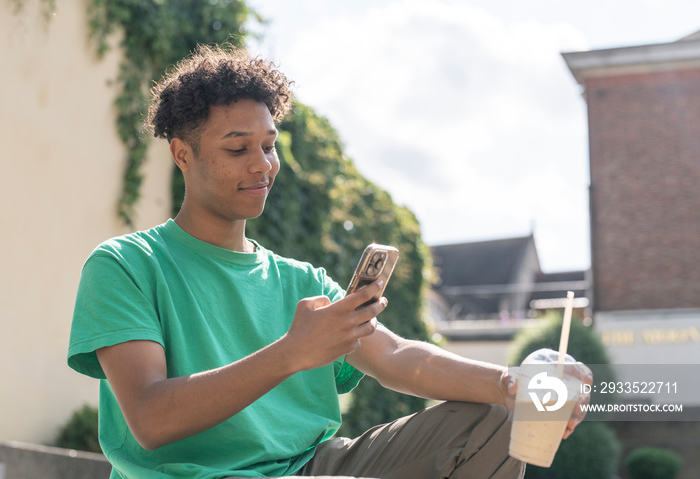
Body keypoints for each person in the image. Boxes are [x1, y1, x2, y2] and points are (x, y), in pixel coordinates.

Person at [68, 44, 589, 479]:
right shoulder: (126, 265)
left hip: (313, 468)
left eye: (269, 146)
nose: (262, 165)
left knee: (495, 420)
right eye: (236, 149)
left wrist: (511, 383)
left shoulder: (303, 282)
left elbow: (397, 357)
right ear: (183, 154)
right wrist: (292, 352)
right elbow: (150, 417)